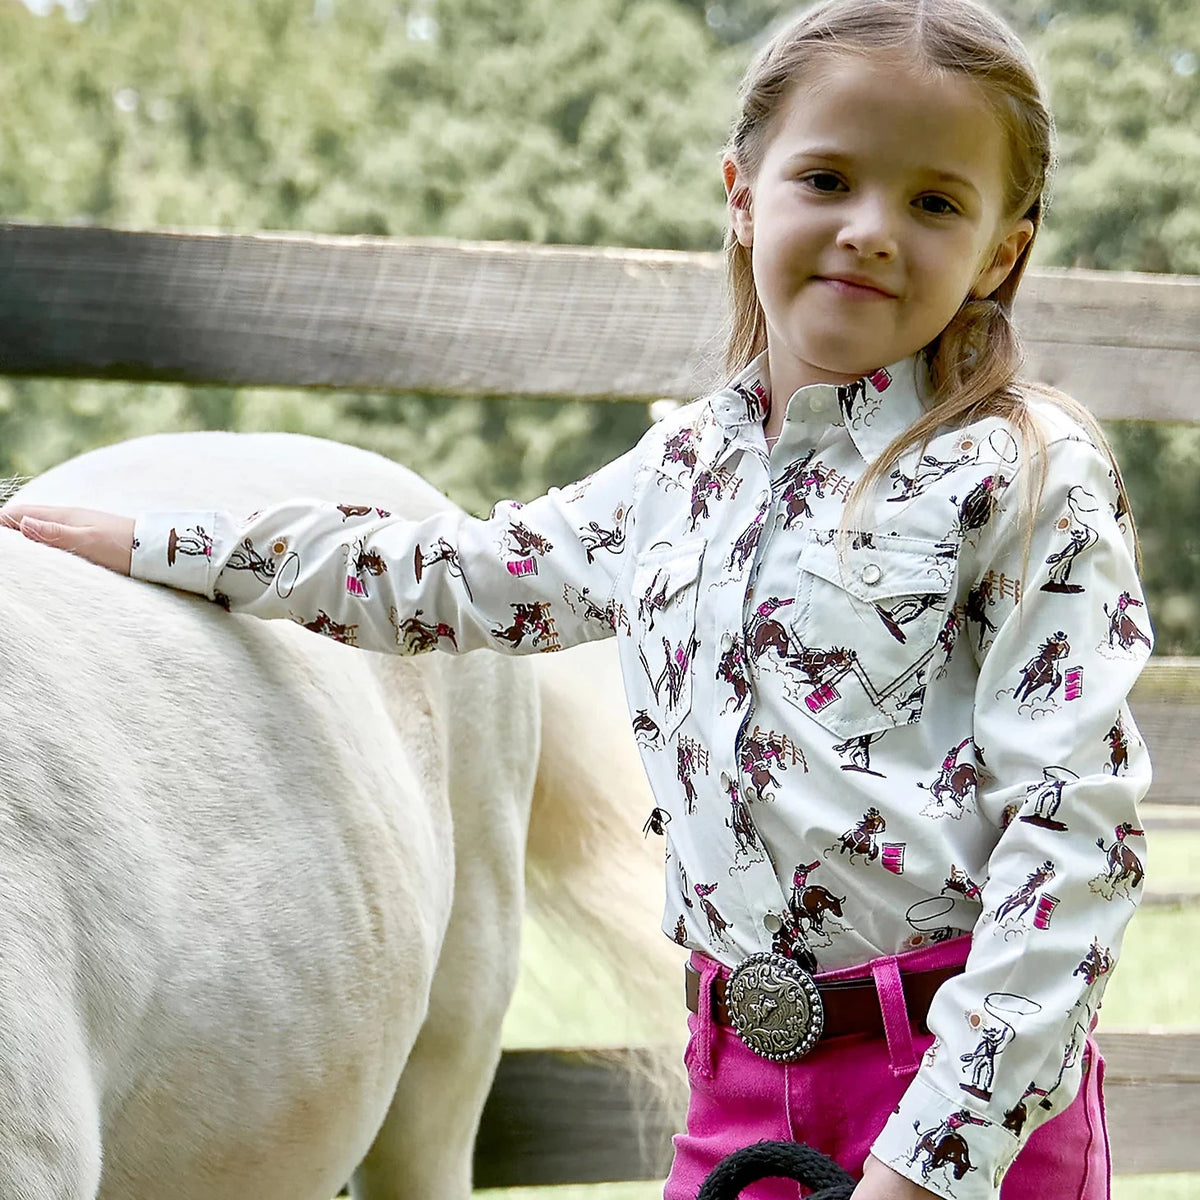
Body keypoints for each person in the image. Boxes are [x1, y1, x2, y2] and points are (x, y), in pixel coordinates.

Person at [1, 1, 1153, 1197]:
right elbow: (452, 577)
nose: (870, 230)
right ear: (744, 192)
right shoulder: (683, 473)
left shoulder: (1027, 473)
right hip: (744, 1083)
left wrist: (931, 1162)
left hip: (963, 1093)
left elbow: (1078, 841)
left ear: (1002, 251)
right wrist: (166, 541)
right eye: (828, 179)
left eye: (934, 202)